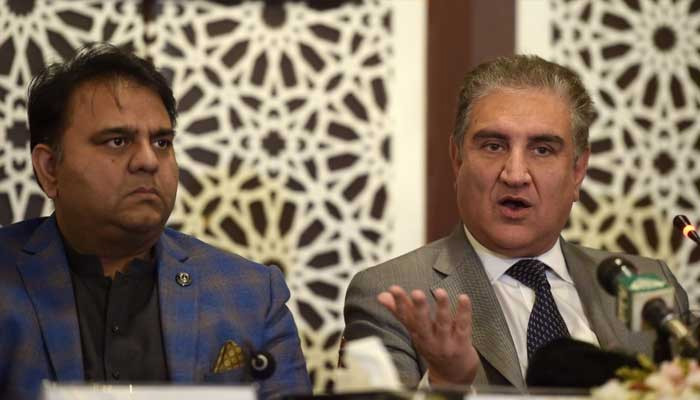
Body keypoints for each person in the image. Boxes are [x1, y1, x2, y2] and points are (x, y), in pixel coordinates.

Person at [343, 55, 692, 390]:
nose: (515, 174)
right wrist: (445, 383)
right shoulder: (392, 295)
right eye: (494, 146)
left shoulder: (649, 287)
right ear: (457, 160)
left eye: (542, 150)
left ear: (577, 171)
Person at [0, 43, 311, 400]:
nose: (148, 161)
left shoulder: (251, 296)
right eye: (118, 141)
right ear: (50, 168)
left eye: (162, 142)